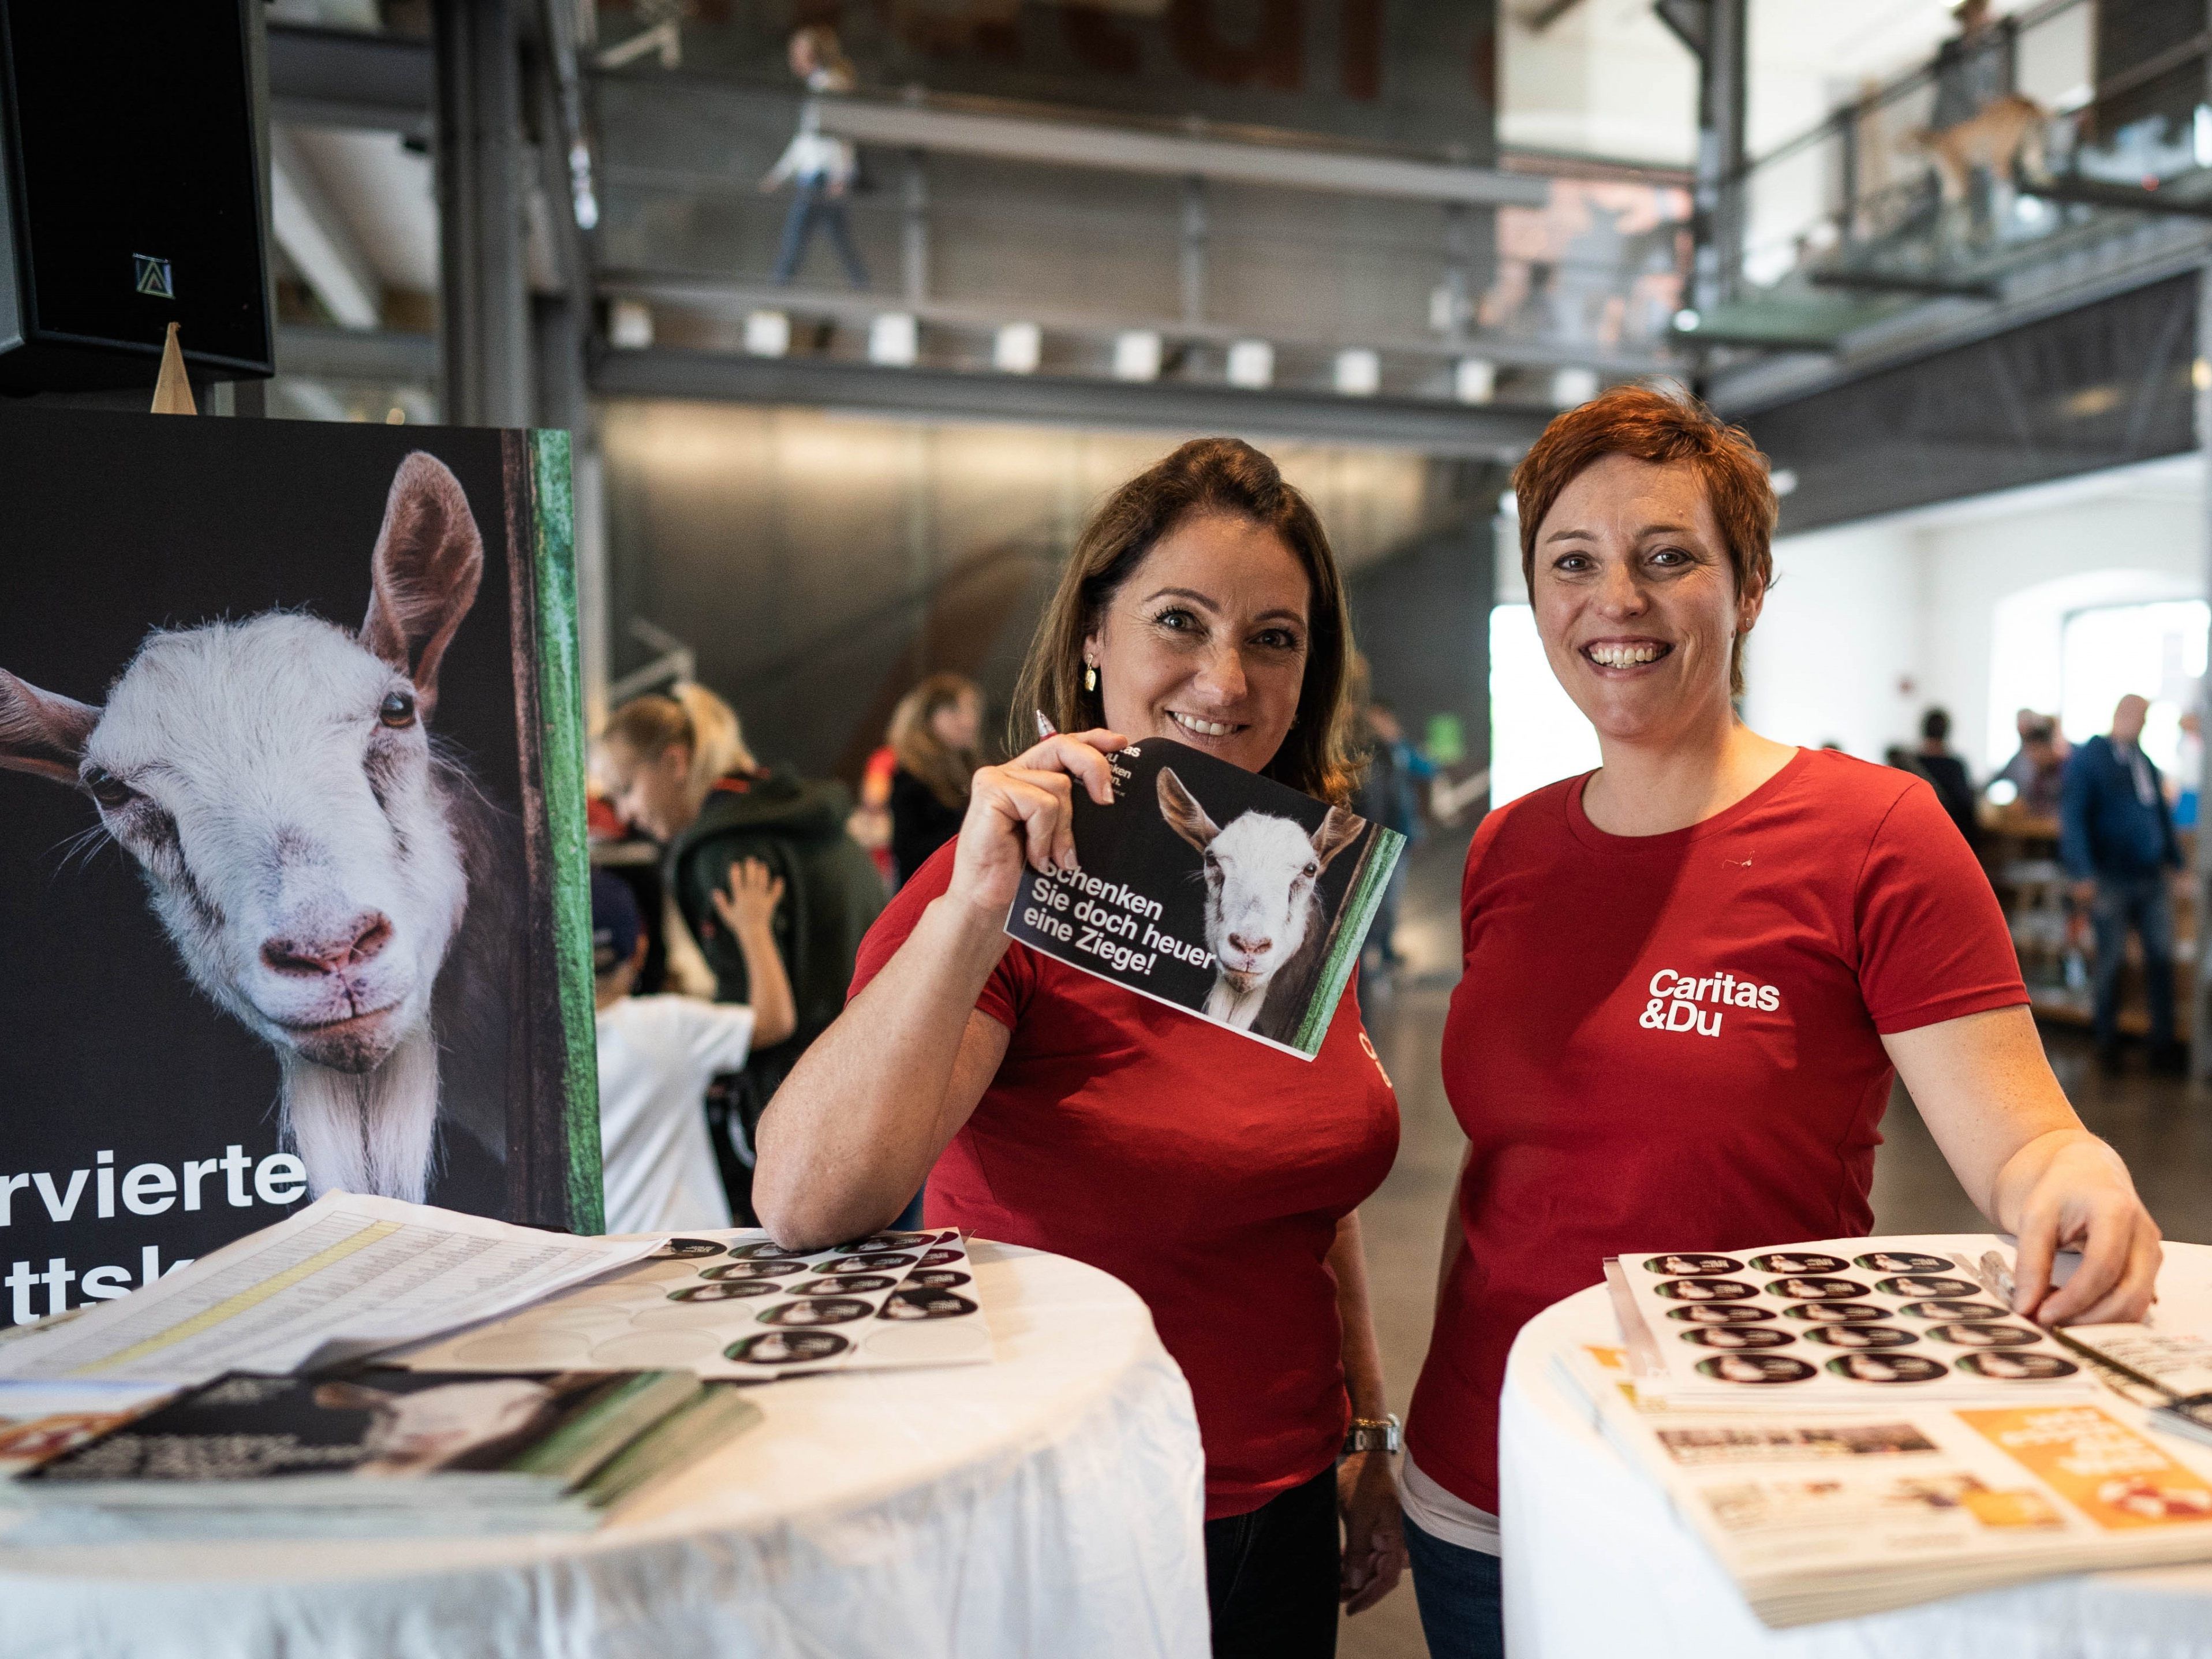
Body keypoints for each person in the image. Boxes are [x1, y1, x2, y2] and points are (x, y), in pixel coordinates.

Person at [1402, 387, 2161, 1659]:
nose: (1615, 603)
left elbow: (2023, 1142)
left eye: (1666, 558)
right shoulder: (1506, 850)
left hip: (1751, 1487)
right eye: (1570, 563)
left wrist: (2072, 1173)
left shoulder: (1874, 836)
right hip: (1484, 1475)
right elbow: (1509, 1175)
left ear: (1746, 586)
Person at [753, 438, 1407, 1656]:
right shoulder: (1009, 891)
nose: (1225, 679)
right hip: (1060, 1506)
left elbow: (1305, 1182)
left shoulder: (1298, 880)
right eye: (1179, 622)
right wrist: (971, 904)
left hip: (1276, 1501)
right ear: (1094, 634)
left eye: (1273, 636)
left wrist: (1367, 1429)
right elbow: (803, 1198)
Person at [593, 684, 887, 1219]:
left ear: (675, 763)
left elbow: (765, 1020)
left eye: (627, 790)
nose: (626, 815)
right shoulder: (801, 819)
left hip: (803, 1113)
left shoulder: (721, 853)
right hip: (877, 1081)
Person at [591, 868, 794, 1236]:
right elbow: (775, 1020)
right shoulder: (665, 1025)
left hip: (596, 1261)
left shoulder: (532, 1054)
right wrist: (753, 927)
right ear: (639, 949)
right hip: (684, 1250)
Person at [2061, 693, 2184, 1074]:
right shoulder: (2090, 760)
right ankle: (2106, 1043)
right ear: (2122, 715)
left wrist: (2174, 861)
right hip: (2111, 876)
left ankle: (2162, 1044)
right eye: (2139, 716)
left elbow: (2158, 813)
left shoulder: (2142, 760)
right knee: (2111, 961)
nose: (2142, 724)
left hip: (2149, 877)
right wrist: (2082, 871)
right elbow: (2075, 819)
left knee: (2161, 958)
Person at [761, 26, 868, 289]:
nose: (794, 61)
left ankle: (778, 290)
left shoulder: (829, 84)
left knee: (797, 235)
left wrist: (839, 175)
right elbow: (807, 140)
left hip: (822, 176)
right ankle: (863, 287)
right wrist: (780, 173)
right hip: (818, 174)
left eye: (799, 54)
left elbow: (840, 135)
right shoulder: (820, 84)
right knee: (838, 237)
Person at [1355, 697, 1434, 974]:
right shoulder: (1369, 753)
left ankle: (1383, 951)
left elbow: (1426, 769)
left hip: (1399, 835)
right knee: (1376, 899)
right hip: (1378, 836)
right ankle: (1373, 954)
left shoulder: (1399, 751)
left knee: (1390, 898)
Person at [887, 672, 983, 888]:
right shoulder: (911, 778)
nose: (970, 721)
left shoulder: (968, 768)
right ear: (934, 716)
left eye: (973, 711)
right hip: (930, 895)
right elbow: (909, 851)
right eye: (960, 710)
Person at [1914, 707, 1978, 848]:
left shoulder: (1909, 764)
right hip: (1952, 843)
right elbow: (1966, 808)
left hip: (1916, 841)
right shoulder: (1955, 766)